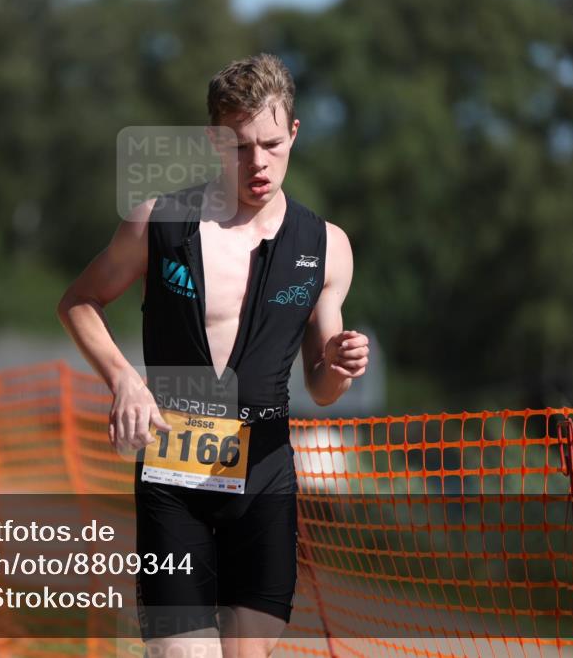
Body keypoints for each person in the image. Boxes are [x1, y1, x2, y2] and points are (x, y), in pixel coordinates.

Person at [57, 53, 369, 657]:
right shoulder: (159, 221)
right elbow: (78, 301)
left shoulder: (326, 246)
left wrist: (338, 364)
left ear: (294, 133)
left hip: (264, 482)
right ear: (213, 141)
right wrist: (124, 380)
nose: (258, 163)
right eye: (240, 147)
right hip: (174, 476)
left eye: (271, 144)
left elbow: (322, 386)